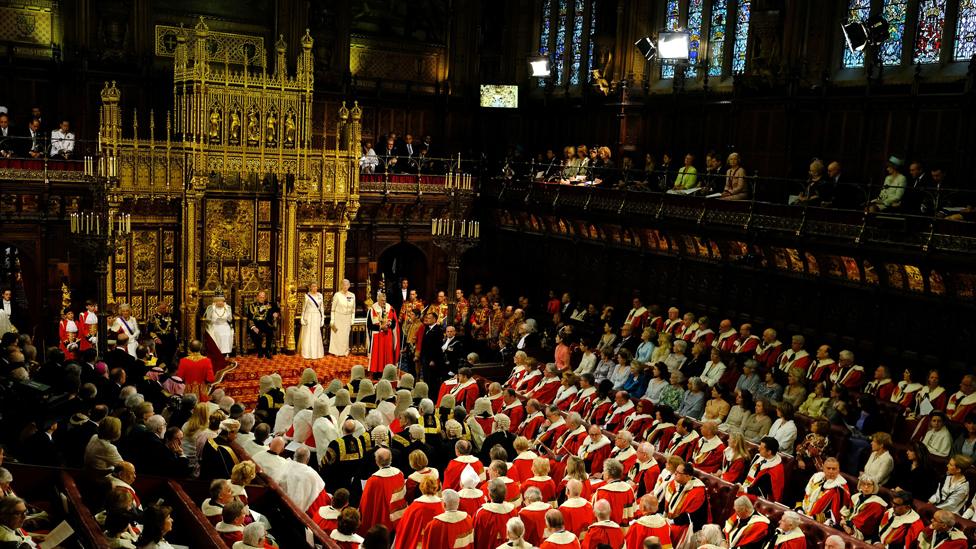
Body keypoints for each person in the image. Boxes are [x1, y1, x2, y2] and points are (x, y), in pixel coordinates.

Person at [358, 448, 406, 535]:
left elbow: (365, 504)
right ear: (391, 459)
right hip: (398, 518)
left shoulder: (373, 480)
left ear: (377, 461)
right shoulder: (399, 474)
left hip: (381, 521)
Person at [394, 477, 444, 549]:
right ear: (436, 488)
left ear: (421, 488)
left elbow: (403, 528)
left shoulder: (414, 506)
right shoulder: (443, 505)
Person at [799, 457, 850, 525]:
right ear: (823, 468)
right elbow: (805, 495)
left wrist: (812, 518)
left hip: (821, 523)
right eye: (828, 468)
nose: (831, 471)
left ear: (838, 470)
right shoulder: (816, 478)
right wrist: (800, 509)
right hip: (804, 513)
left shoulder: (840, 488)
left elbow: (835, 514)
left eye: (834, 469)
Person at [741, 437, 784, 501]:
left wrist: (744, 489)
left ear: (769, 452)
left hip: (760, 496)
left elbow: (762, 490)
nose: (758, 449)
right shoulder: (759, 457)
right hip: (747, 486)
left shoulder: (775, 470)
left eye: (761, 448)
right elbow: (746, 472)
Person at [367, 292, 399, 376]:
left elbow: (394, 323)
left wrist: (389, 325)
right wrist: (380, 327)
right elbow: (369, 325)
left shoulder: (390, 309)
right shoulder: (372, 309)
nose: (383, 302)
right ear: (377, 299)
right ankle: (377, 373)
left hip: (387, 336)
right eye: (381, 300)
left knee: (388, 355)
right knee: (377, 356)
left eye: (384, 300)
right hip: (377, 337)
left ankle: (388, 373)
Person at [246, 291, 279, 359]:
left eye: (263, 297)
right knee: (255, 333)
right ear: (257, 297)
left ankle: (267, 351)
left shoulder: (270, 304)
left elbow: (277, 310)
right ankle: (260, 350)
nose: (262, 298)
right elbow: (249, 318)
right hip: (256, 324)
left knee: (270, 332)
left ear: (265, 297)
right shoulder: (252, 306)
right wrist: (254, 327)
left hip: (266, 323)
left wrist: (276, 313)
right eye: (260, 297)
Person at [328, 279, 356, 357]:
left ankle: (345, 351)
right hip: (338, 317)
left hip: (347, 318)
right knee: (337, 334)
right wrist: (332, 319)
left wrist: (352, 318)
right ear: (341, 285)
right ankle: (336, 351)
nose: (345, 286)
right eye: (344, 284)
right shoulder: (337, 295)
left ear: (349, 286)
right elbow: (333, 309)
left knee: (346, 335)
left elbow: (353, 309)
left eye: (347, 285)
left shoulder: (352, 295)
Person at [298, 283, 326, 360]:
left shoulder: (320, 296)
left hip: (317, 316)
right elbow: (304, 308)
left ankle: (316, 353)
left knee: (316, 334)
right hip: (309, 316)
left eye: (316, 286)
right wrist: (302, 318)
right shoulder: (307, 296)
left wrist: (323, 318)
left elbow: (322, 308)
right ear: (310, 287)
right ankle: (307, 353)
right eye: (313, 286)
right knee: (308, 334)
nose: (315, 288)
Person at [147, 301, 179, 367]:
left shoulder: (171, 316)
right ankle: (153, 368)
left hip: (170, 339)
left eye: (165, 308)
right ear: (157, 308)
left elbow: (175, 328)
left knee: (171, 352)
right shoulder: (153, 317)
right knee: (154, 351)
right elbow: (150, 331)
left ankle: (168, 368)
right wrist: (155, 338)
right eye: (162, 308)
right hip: (157, 339)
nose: (164, 310)